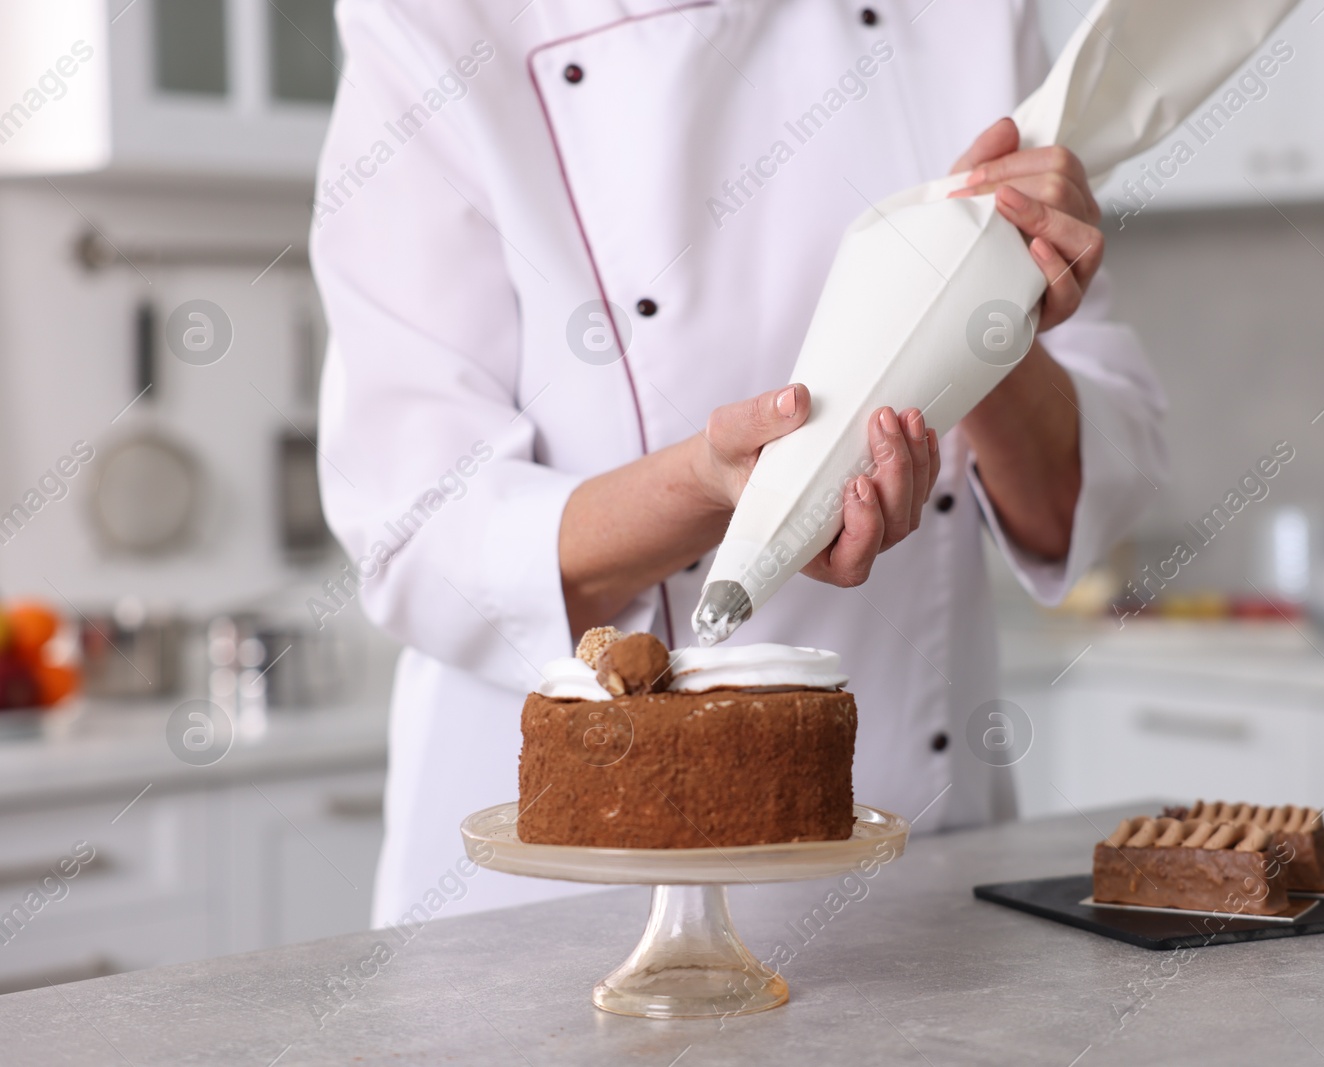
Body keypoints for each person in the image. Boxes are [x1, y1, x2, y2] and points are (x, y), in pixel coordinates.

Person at [311, 0, 1167, 927]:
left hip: (916, 887)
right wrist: (709, 488)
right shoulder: (441, 21)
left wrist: (977, 311)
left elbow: (1080, 506)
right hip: (559, 899)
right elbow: (419, 530)